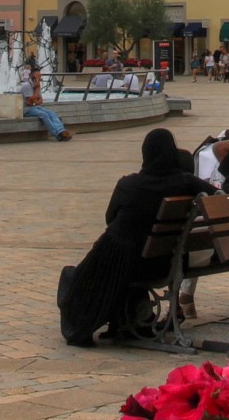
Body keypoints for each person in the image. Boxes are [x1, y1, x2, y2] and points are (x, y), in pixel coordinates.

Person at [59, 128, 212, 347]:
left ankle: (120, 320)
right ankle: (130, 319)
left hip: (123, 261)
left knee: (72, 277)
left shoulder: (128, 185)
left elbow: (109, 219)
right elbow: (219, 197)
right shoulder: (186, 182)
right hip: (164, 263)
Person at [20, 61, 69, 142]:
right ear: (32, 76)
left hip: (34, 107)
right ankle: (58, 135)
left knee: (52, 113)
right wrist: (37, 89)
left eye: (40, 76)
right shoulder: (27, 86)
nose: (40, 77)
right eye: (38, 76)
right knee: (44, 115)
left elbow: (40, 101)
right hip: (26, 109)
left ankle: (61, 131)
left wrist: (34, 100)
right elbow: (31, 100)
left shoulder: (37, 85)